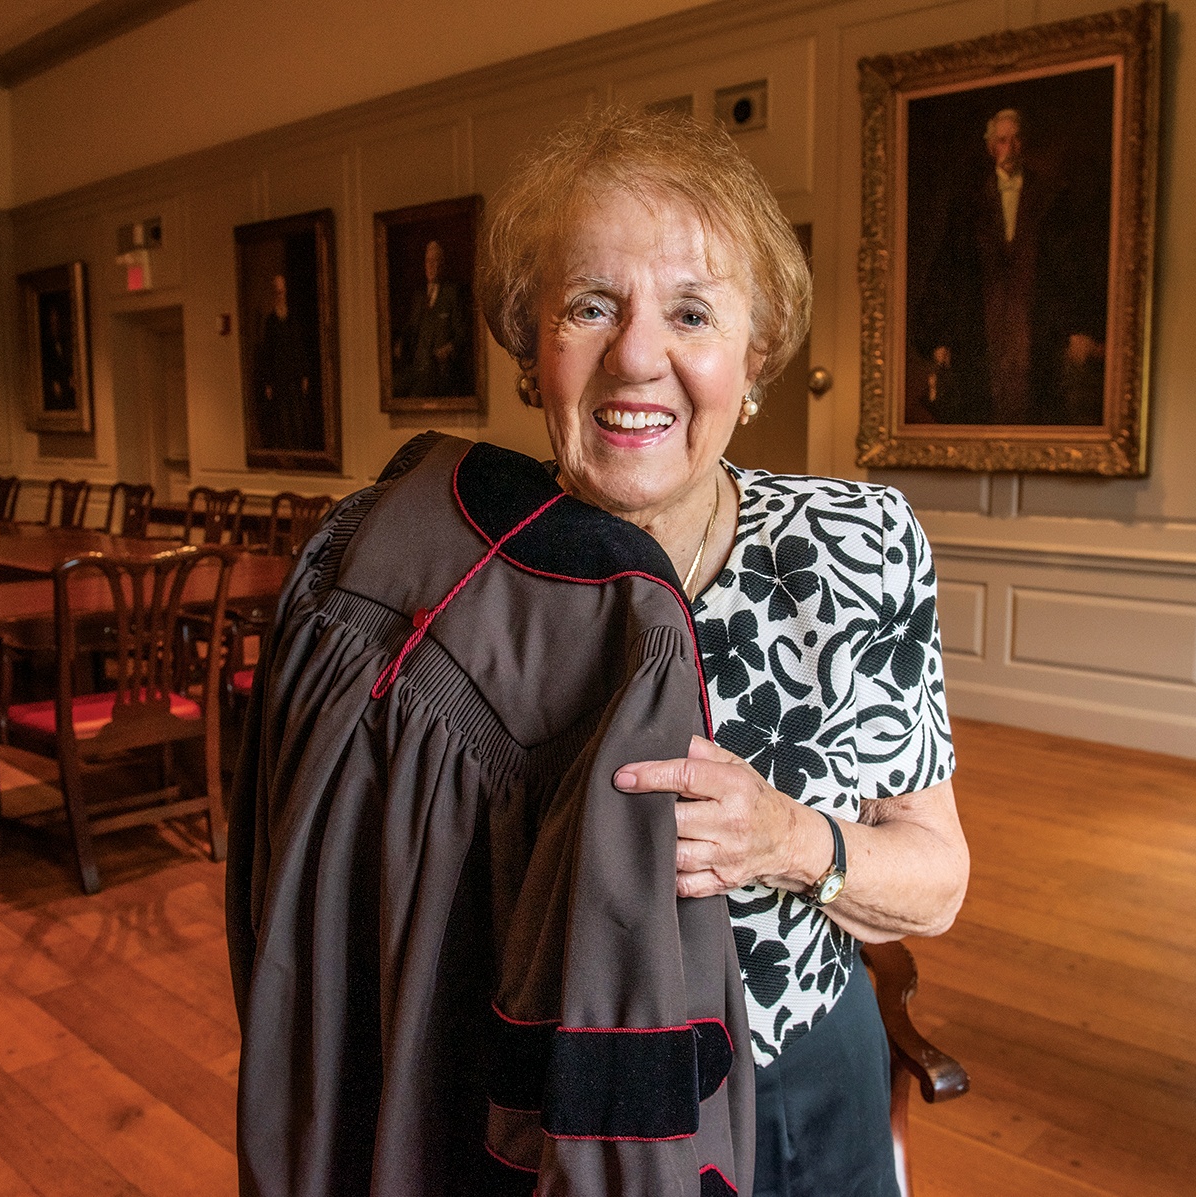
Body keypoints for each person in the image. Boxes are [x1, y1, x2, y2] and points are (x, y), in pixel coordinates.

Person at [480, 106, 969, 1196]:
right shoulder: (467, 576)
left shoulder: (856, 546)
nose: (636, 356)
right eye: (590, 305)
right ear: (531, 355)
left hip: (794, 1072)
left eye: (692, 312)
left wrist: (788, 840)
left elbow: (936, 880)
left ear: (754, 362)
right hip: (547, 1097)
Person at [909, 106, 1108, 425]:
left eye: (1016, 140)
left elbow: (1073, 265)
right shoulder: (968, 202)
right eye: (1002, 141)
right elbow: (947, 269)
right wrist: (940, 336)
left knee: (1040, 408)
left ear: (1024, 143)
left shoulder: (1052, 197)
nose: (1010, 148)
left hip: (1037, 324)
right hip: (981, 326)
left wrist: (1079, 326)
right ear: (991, 148)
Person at [253, 271, 324, 449]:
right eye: (277, 292)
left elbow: (300, 347)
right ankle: (287, 447)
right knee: (282, 415)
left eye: (282, 292)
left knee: (297, 414)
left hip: (294, 374)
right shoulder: (271, 321)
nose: (280, 296)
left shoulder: (294, 318)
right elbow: (268, 352)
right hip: (278, 376)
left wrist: (305, 374)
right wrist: (268, 382)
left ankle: (300, 446)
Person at [393, 238, 472, 397]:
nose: (430, 266)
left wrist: (448, 349)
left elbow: (462, 334)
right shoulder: (419, 297)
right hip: (416, 366)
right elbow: (411, 328)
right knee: (394, 388)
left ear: (442, 265)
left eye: (435, 261)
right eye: (428, 261)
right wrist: (400, 342)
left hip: (439, 369)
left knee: (419, 393)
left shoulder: (452, 294)